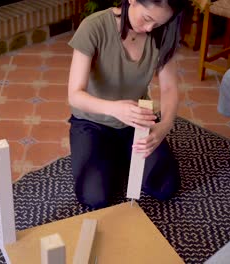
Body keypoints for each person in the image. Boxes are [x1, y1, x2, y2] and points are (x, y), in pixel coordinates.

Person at [67, 0, 183, 208]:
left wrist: (164, 126)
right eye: (147, 19)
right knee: (94, 197)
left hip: (136, 120)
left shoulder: (163, 31)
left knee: (166, 186)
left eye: (157, 24)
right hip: (92, 122)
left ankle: (120, 153)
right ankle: (115, 154)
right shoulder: (94, 26)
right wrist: (114, 108)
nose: (149, 29)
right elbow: (75, 95)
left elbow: (169, 88)